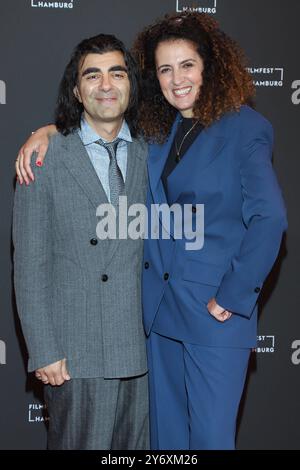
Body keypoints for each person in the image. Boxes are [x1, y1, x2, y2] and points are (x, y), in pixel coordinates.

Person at [16, 12, 287, 450]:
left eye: (187, 65)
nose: (176, 78)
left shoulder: (231, 130)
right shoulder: (158, 133)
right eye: (164, 68)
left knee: (208, 441)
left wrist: (235, 296)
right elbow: (29, 260)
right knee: (168, 445)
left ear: (209, 67)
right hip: (150, 325)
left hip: (201, 320)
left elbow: (270, 218)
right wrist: (47, 132)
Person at [13, 33, 149, 450]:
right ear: (77, 89)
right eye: (93, 75)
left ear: (130, 84)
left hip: (138, 352)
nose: (106, 85)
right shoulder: (46, 158)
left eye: (116, 73)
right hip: (75, 352)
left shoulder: (150, 150)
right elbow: (30, 262)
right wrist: (44, 349)